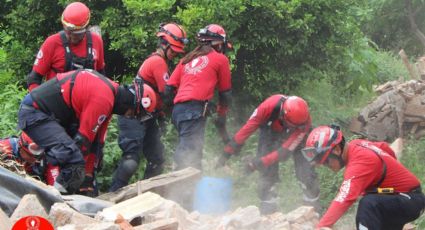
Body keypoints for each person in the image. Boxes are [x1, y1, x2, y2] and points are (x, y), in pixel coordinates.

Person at [17, 69, 157, 195]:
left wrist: (89, 175)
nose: (129, 116)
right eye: (132, 113)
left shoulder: (110, 95)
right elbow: (83, 141)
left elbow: (97, 142)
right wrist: (82, 176)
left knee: (85, 160)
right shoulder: (104, 99)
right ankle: (58, 203)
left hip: (52, 116)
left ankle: (63, 194)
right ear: (131, 103)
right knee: (73, 160)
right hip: (36, 113)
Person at [109, 22, 188, 192]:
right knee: (131, 160)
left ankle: (146, 197)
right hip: (133, 115)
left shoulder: (160, 63)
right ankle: (112, 197)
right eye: (173, 50)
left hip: (148, 116)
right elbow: (166, 94)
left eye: (177, 51)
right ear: (164, 44)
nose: (175, 54)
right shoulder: (157, 62)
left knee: (157, 159)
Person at [302, 125, 425, 229]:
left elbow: (343, 199)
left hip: (410, 200)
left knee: (368, 204)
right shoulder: (357, 144)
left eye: (325, 162)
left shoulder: (360, 162)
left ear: (337, 150)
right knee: (371, 201)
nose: (325, 166)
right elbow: (384, 147)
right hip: (401, 197)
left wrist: (320, 227)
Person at [217, 95, 321, 214]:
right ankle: (268, 209)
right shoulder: (268, 107)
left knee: (306, 172)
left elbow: (284, 152)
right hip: (270, 130)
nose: (293, 127)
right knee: (267, 173)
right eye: (291, 125)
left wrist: (257, 163)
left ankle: (312, 208)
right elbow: (248, 128)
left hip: (299, 137)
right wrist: (227, 151)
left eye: (295, 126)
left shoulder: (303, 122)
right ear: (283, 114)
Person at [165, 24, 233, 170]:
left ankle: (189, 190)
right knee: (188, 156)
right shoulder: (220, 59)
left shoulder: (186, 60)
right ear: (218, 43)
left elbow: (168, 89)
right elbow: (225, 93)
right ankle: (175, 187)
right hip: (193, 111)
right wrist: (221, 116)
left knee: (194, 155)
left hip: (179, 111)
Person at [26, 2, 105, 91]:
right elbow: (33, 79)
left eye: (76, 34)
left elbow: (101, 76)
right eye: (68, 32)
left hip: (86, 100)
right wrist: (40, 101)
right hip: (56, 100)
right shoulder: (52, 43)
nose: (71, 37)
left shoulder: (96, 41)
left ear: (86, 28)